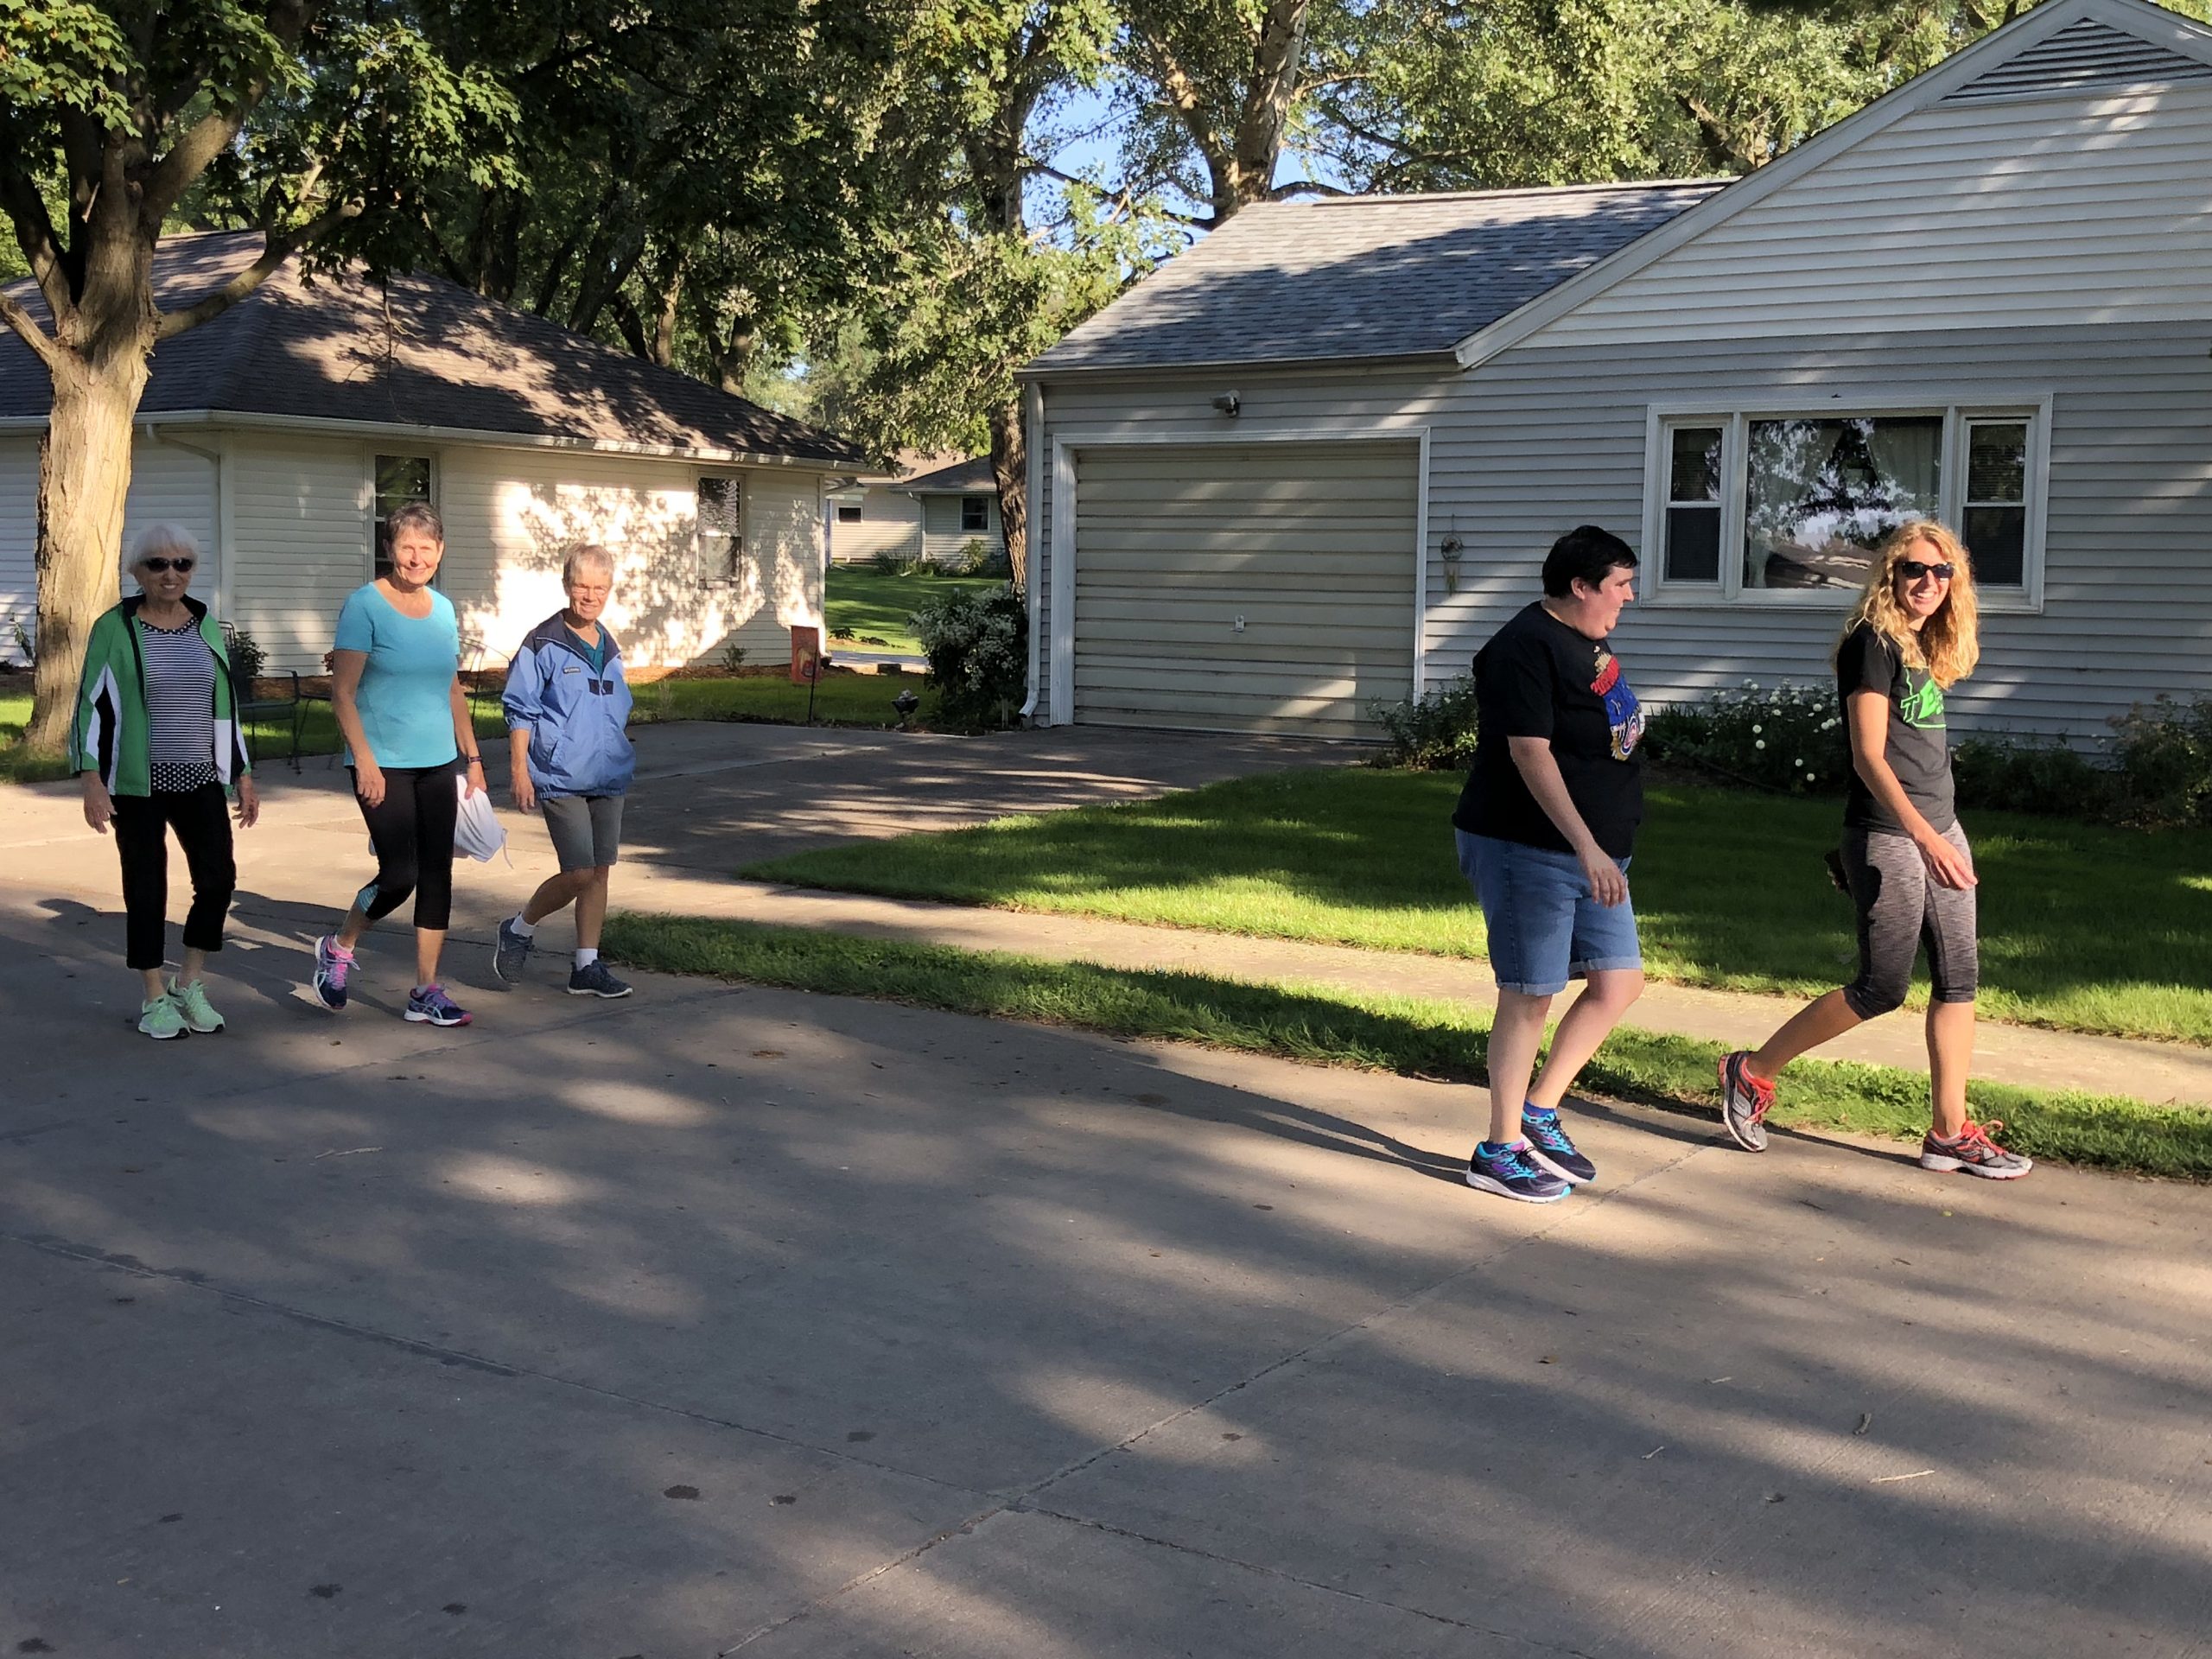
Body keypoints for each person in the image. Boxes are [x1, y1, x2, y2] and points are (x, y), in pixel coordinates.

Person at [1718, 523, 2030, 1179]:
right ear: (1891, 572)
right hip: (1891, 833)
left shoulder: (1924, 642)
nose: (1928, 583)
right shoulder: (1874, 642)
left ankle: (1949, 1133)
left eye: (1942, 574)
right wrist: (1921, 836)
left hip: (1939, 829)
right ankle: (1751, 1072)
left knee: (1960, 980)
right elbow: (1867, 756)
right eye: (1916, 570)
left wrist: (1941, 829)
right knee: (1882, 986)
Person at [1452, 525, 1646, 1204]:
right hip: (1527, 846)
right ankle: (1498, 1149)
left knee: (1618, 983)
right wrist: (1587, 846)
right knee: (1531, 993)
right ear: (1580, 585)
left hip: (1595, 852)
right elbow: (1529, 753)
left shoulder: (1585, 638)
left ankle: (1538, 1112)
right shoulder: (1523, 648)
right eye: (1619, 585)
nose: (1628, 597)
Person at [73, 524, 260, 1038]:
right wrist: (91, 777)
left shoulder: (205, 624)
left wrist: (241, 772)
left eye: (182, 564)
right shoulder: (115, 626)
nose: (171, 574)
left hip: (200, 777)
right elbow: (89, 704)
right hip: (137, 782)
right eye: (157, 564)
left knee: (218, 880)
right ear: (137, 572)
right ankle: (154, 994)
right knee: (146, 888)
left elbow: (227, 706)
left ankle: (189, 983)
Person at [310, 500, 486, 1026]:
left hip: (438, 762)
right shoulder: (364, 605)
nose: (416, 558)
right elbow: (341, 693)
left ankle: (426, 990)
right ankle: (339, 947)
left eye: (426, 549)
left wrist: (472, 757)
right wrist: (364, 761)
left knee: (437, 875)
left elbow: (451, 686)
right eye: (406, 547)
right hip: (381, 762)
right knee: (399, 873)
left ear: (440, 553)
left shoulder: (444, 610)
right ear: (390, 550)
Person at [493, 543, 636, 998]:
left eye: (599, 588)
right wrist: (520, 768)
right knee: (578, 871)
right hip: (560, 776)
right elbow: (519, 709)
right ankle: (519, 927)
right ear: (566, 586)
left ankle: (586, 966)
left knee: (600, 872)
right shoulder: (543, 643)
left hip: (608, 775)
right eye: (581, 586)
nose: (590, 596)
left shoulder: (609, 646)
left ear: (609, 591)